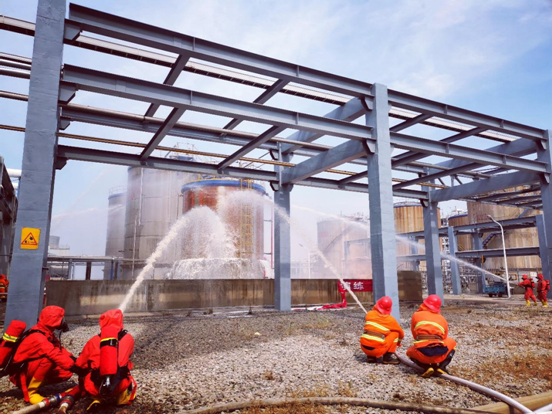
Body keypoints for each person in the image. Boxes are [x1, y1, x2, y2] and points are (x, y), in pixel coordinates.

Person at [59, 309, 136, 412]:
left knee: (87, 372)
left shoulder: (94, 340)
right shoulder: (128, 338)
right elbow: (127, 356)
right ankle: (122, 400)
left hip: (95, 387)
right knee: (126, 369)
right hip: (119, 386)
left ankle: (96, 400)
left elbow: (80, 364)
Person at [8, 306, 76, 405]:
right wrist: (75, 368)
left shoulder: (45, 331)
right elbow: (54, 354)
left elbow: (59, 350)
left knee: (65, 372)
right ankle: (31, 392)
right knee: (49, 360)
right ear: (55, 320)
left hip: (27, 369)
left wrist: (77, 361)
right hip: (20, 375)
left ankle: (35, 383)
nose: (63, 321)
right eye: (61, 318)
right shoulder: (38, 337)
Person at [406, 295, 456, 378]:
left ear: (425, 303)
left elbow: (415, 335)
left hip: (422, 355)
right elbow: (444, 338)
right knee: (452, 342)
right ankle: (442, 367)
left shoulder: (416, 315)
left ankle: (427, 367)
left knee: (409, 352)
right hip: (439, 356)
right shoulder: (442, 319)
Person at [360, 296, 404, 364]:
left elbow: (374, 328)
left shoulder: (369, 314)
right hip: (377, 350)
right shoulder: (390, 319)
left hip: (364, 347)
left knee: (372, 334)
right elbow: (401, 333)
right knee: (395, 333)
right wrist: (398, 343)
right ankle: (387, 358)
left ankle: (371, 357)